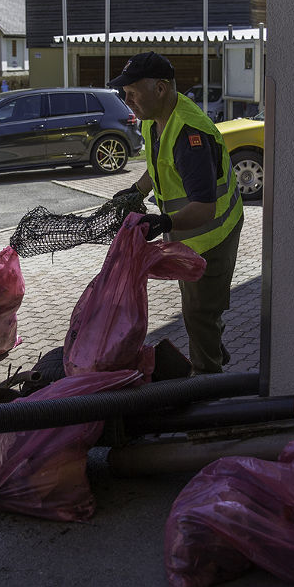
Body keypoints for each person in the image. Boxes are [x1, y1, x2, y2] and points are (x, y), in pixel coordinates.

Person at [109, 51, 244, 374]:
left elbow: (205, 208)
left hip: (212, 236)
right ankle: (212, 341)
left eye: (132, 91)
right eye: (123, 92)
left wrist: (164, 222)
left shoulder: (189, 135)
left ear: (160, 88)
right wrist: (137, 191)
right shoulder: (154, 121)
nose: (126, 99)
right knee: (200, 307)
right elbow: (159, 168)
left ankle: (208, 380)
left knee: (197, 312)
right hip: (190, 235)